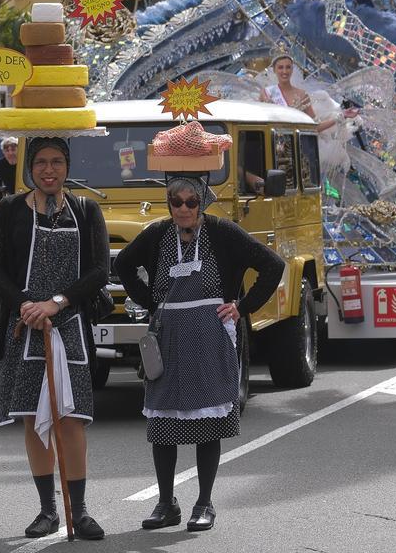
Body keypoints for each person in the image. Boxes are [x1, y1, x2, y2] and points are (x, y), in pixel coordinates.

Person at [116, 172, 283, 532]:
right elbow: (123, 265)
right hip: (168, 336)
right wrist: (150, 301)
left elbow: (273, 265)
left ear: (202, 202)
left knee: (208, 424)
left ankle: (204, 502)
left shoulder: (222, 232)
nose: (183, 209)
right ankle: (166, 503)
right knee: (163, 422)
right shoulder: (158, 233)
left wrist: (241, 306)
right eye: (175, 202)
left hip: (210, 334)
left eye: (191, 202)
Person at [0, 138, 109, 541]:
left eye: (57, 161)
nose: (49, 170)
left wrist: (56, 303)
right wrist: (25, 305)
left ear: (67, 166)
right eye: (41, 162)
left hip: (69, 325)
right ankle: (48, 510)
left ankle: (80, 511)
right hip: (23, 327)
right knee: (32, 419)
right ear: (29, 168)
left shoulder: (86, 210)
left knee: (70, 419)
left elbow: (99, 271)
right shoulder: (8, 211)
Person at [259, 54, 357, 133]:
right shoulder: (267, 93)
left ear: (292, 70)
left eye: (288, 67)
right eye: (280, 67)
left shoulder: (302, 95)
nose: (284, 71)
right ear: (274, 70)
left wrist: (342, 116)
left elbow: (315, 127)